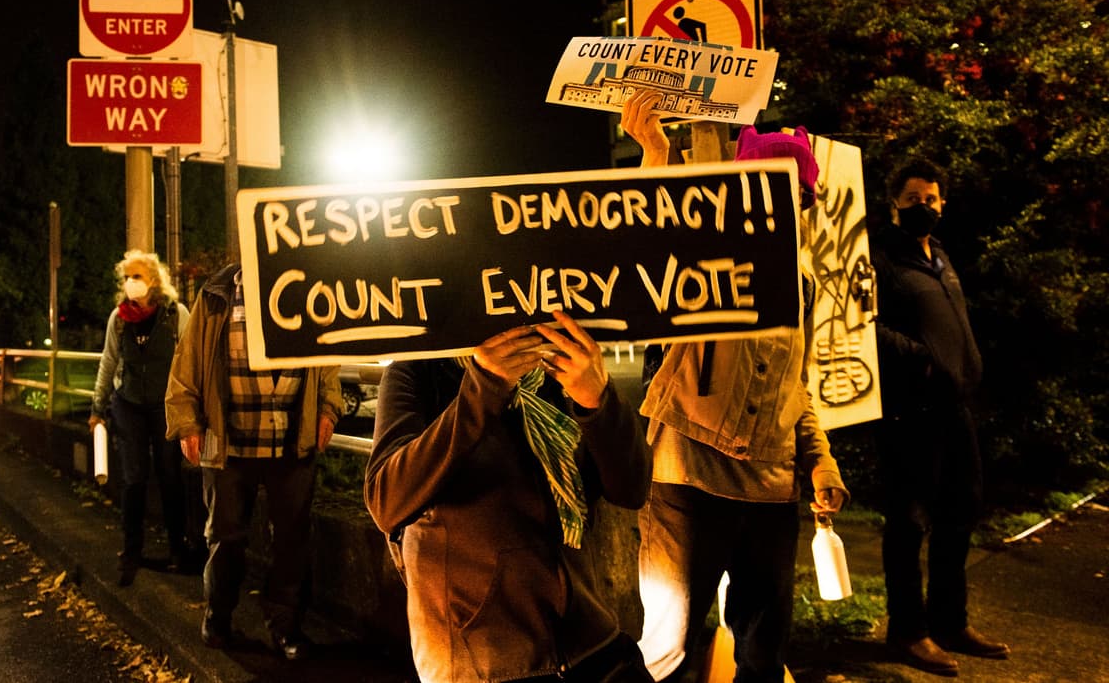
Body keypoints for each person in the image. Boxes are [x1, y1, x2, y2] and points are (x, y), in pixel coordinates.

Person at [621, 90, 848, 683]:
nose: (783, 209)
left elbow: (795, 390)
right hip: (688, 482)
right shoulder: (704, 256)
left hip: (773, 493)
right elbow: (648, 246)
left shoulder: (802, 283)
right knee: (666, 653)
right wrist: (655, 155)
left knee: (763, 656)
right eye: (767, 192)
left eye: (794, 197)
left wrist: (820, 463)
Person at [365, 309, 653, 683]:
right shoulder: (421, 369)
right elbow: (387, 500)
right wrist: (482, 387)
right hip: (484, 663)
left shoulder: (554, 374)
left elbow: (632, 489)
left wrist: (597, 400)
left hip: (590, 642)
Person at [871, 159, 1009, 676]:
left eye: (930, 199)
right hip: (911, 411)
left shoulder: (941, 257)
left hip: (957, 408)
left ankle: (951, 621)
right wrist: (920, 359)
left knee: (962, 511)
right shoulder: (882, 258)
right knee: (908, 522)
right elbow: (864, 324)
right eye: (912, 199)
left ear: (942, 204)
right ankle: (908, 632)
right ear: (894, 204)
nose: (922, 207)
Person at [165, 262, 343, 660]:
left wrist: (328, 408)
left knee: (292, 540)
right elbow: (187, 361)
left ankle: (286, 627)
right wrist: (186, 422)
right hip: (228, 441)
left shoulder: (310, 285)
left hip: (292, 438)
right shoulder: (217, 294)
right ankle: (218, 617)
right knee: (225, 538)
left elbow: (326, 354)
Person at [89, 249, 192, 587]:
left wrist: (193, 410)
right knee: (133, 479)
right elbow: (108, 361)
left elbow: (191, 363)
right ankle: (131, 550)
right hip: (129, 404)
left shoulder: (175, 315)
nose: (131, 283)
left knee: (170, 477)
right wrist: (97, 407)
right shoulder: (119, 319)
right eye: (127, 277)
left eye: (137, 276)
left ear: (153, 280)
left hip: (166, 406)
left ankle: (178, 548)